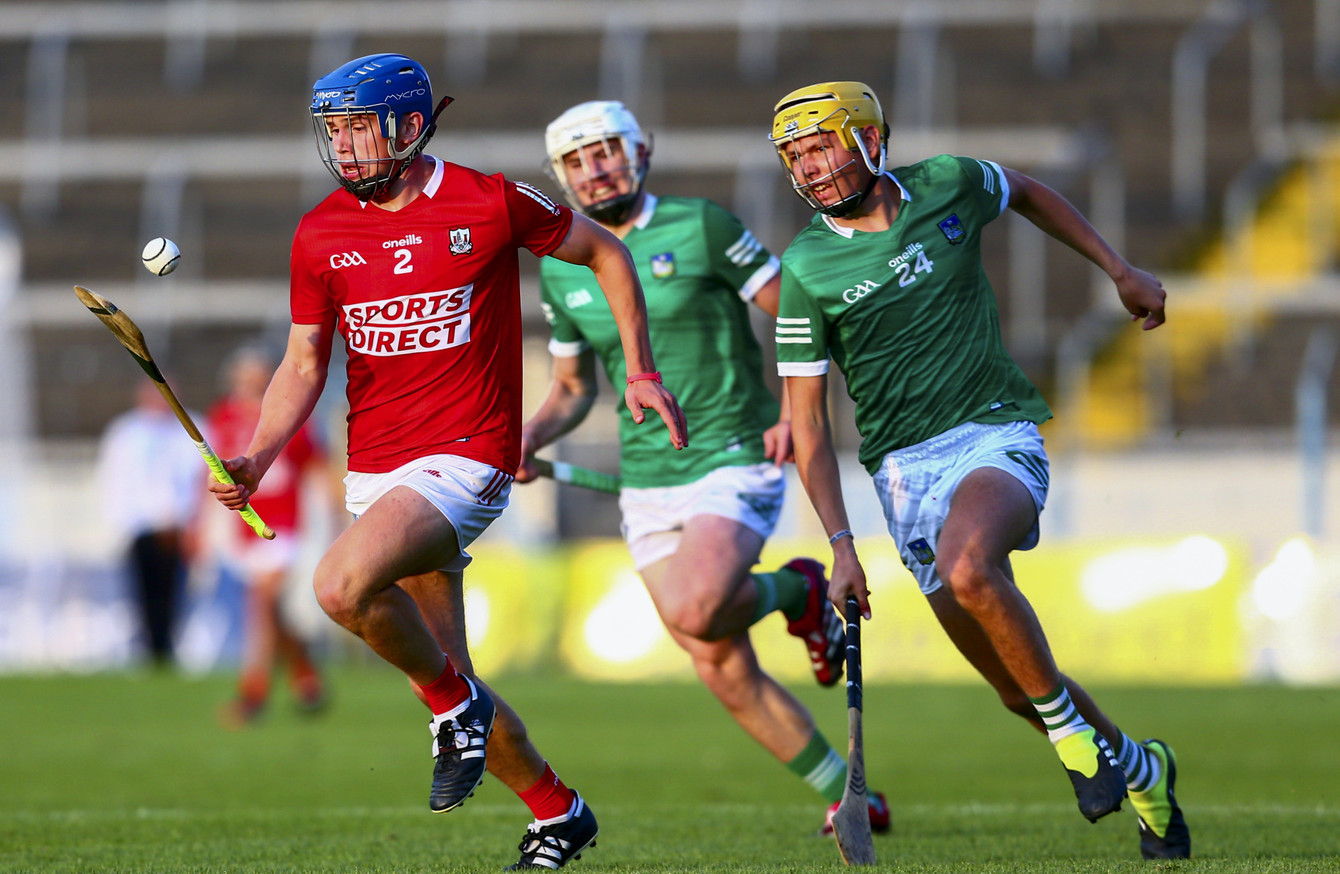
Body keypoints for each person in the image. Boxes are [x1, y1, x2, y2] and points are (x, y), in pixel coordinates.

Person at [209, 54, 686, 870]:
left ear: (411, 125)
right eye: (336, 131)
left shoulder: (489, 200)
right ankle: (556, 810)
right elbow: (301, 364)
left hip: (469, 456)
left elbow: (608, 253)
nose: (347, 146)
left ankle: (456, 706)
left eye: (362, 127)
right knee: (444, 671)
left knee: (339, 588)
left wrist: (638, 370)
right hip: (377, 468)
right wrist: (258, 452)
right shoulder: (321, 230)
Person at [768, 81, 1189, 860]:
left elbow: (1026, 191)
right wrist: (841, 544)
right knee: (1011, 686)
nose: (809, 167)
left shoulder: (950, 182)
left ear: (868, 138)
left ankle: (1072, 740)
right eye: (794, 156)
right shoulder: (807, 267)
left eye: (820, 145)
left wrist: (1118, 269)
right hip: (901, 476)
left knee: (971, 566)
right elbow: (806, 422)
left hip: (993, 434)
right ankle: (1140, 768)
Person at [518, 99, 890, 835]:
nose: (596, 170)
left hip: (734, 453)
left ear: (642, 151)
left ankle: (796, 590)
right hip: (644, 478)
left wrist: (794, 408)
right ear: (560, 178)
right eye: (577, 161)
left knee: (695, 607)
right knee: (715, 658)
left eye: (608, 151)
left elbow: (797, 309)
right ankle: (848, 795)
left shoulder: (702, 225)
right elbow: (571, 390)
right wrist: (526, 439)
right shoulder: (562, 267)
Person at [205, 346, 329, 727]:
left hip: (282, 527)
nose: (250, 384)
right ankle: (305, 674)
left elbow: (316, 465)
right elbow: (208, 475)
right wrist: (202, 525)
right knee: (270, 611)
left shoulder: (285, 414)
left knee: (260, 602)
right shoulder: (222, 417)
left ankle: (252, 693)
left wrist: (338, 515)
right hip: (242, 527)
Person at [97, 380, 204, 667]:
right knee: (144, 592)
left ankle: (167, 647)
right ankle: (149, 649)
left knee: (175, 593)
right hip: (141, 527)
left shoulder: (191, 429)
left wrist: (195, 523)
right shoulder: (125, 432)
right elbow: (116, 480)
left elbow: (201, 478)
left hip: (179, 528)